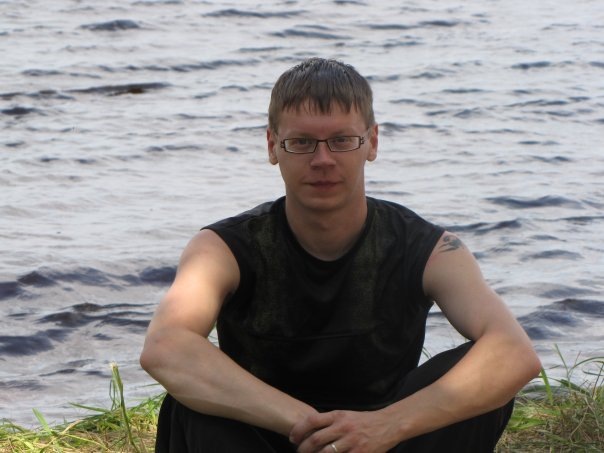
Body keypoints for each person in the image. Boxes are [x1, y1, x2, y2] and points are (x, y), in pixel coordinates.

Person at [140, 58, 541, 452]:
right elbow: (166, 346)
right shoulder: (223, 248)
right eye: (301, 142)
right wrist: (315, 429)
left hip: (386, 441)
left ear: (372, 142)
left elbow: (515, 353)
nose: (323, 160)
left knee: (479, 371)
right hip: (266, 434)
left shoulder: (429, 248)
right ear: (272, 146)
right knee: (190, 403)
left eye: (342, 140)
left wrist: (385, 426)